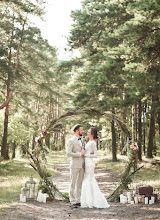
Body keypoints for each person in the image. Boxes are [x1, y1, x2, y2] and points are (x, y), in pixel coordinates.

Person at [80, 127, 110, 208]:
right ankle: (87, 200)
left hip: (89, 163)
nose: (87, 133)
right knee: (87, 179)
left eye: (88, 132)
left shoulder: (93, 143)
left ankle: (93, 201)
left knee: (89, 179)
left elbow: (96, 154)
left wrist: (86, 154)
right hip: (86, 162)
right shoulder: (89, 141)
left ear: (92, 134)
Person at [66, 124, 85, 208]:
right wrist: (79, 154)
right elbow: (68, 153)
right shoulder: (71, 141)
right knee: (73, 183)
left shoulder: (83, 140)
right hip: (74, 164)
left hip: (82, 165)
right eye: (81, 130)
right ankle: (72, 201)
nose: (83, 131)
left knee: (79, 183)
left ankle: (78, 200)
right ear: (77, 131)